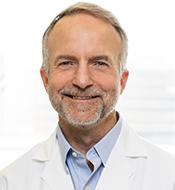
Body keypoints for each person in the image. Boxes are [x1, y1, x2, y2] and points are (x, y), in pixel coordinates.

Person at [0, 2, 175, 190]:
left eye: (99, 63)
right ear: (46, 79)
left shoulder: (168, 176)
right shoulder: (10, 182)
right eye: (67, 62)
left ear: (122, 81)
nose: (82, 81)